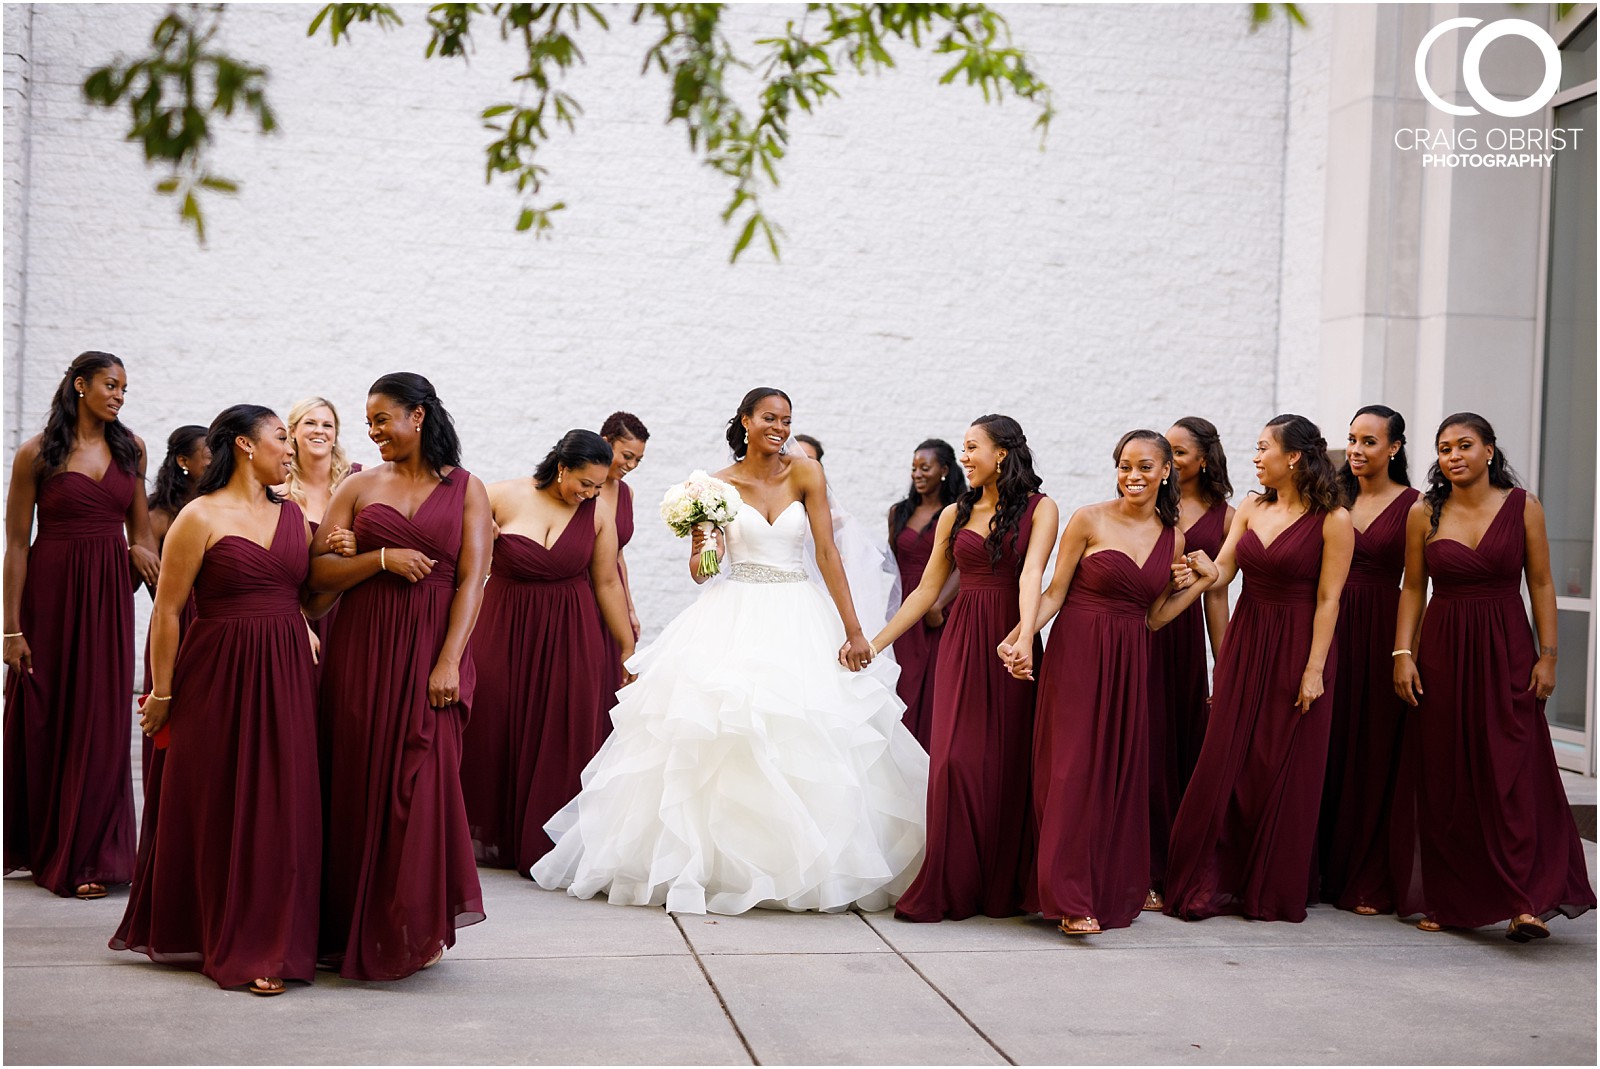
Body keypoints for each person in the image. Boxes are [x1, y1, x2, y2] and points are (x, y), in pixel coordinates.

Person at [532, 388, 927, 915]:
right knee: (722, 731)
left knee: (806, 734)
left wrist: (856, 631)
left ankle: (809, 868)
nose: (779, 428)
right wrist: (702, 549)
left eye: (786, 420)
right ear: (745, 421)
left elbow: (827, 554)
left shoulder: (806, 473)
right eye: (769, 418)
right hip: (731, 609)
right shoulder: (713, 486)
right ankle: (719, 867)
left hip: (798, 611)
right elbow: (703, 573)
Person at [110, 405, 329, 996]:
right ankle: (223, 936)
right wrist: (162, 691)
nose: (291, 447)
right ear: (244, 445)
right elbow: (169, 611)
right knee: (220, 801)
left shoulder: (296, 516)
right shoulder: (197, 516)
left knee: (283, 805)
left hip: (286, 671)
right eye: (281, 437)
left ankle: (275, 939)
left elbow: (306, 593)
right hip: (217, 673)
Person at [1001, 430, 1218, 935]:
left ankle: (1102, 886)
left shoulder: (1174, 535)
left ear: (1167, 471)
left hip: (1129, 660)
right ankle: (1070, 899)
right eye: (1124, 465)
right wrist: (1020, 637)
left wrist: (1205, 582)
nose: (1133, 476)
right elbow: (1054, 593)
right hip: (1078, 652)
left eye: (1145, 466)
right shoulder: (1088, 519)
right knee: (1071, 772)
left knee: (1115, 773)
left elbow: (1156, 617)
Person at [311, 372, 491, 980]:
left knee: (421, 785)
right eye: (368, 422)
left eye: (382, 418)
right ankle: (348, 926)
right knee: (359, 783)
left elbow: (472, 580)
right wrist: (373, 557)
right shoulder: (358, 486)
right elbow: (316, 582)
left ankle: (410, 925)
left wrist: (447, 661)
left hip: (431, 653)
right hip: (361, 651)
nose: (373, 431)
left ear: (418, 416)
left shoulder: (467, 489)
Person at [1392, 413, 1594, 940]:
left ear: (1489, 451)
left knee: (1514, 771)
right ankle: (1452, 898)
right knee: (1448, 774)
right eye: (1444, 448)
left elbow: (1543, 583)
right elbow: (1413, 588)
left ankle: (1524, 902)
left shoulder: (1524, 507)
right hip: (1443, 651)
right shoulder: (1423, 513)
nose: (1453, 455)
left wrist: (1548, 654)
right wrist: (1402, 653)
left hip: (1507, 648)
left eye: (1464, 445)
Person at [1163, 414, 1353, 923]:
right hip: (1247, 643)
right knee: (1228, 759)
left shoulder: (1333, 518)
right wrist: (1205, 570)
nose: (1255, 456)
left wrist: (1315, 669)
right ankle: (1213, 878)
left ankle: (1268, 887)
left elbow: (1330, 600)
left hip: (1298, 648)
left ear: (1293, 456)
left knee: (1280, 765)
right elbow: (1225, 570)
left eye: (1263, 447)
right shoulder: (1250, 505)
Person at [868, 415, 1057, 922]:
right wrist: (876, 642)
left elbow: (1033, 575)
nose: (965, 456)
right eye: (965, 448)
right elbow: (928, 590)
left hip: (1010, 640)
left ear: (1002, 454)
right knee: (952, 762)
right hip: (961, 640)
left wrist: (1022, 637)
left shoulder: (1042, 509)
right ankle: (950, 886)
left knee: (1009, 764)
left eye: (973, 447)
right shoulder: (954, 513)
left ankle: (1002, 889)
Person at [3, 351, 159, 900]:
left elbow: (140, 532)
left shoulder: (131, 449)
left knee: (99, 720)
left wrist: (143, 556)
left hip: (107, 597)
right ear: (80, 385)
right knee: (46, 715)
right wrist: (10, 629)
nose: (119, 395)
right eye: (110, 385)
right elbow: (16, 545)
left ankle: (92, 853)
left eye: (124, 388)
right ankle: (42, 842)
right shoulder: (35, 455)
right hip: (50, 593)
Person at [463, 429, 636, 871]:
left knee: (559, 729)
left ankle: (545, 843)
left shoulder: (597, 511)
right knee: (494, 721)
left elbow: (608, 581)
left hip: (569, 632)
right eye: (585, 483)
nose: (591, 493)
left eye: (599, 486)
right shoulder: (497, 494)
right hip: (502, 626)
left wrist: (627, 648)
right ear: (561, 467)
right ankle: (495, 835)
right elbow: (459, 557)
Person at [1316, 405, 1418, 915]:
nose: (1355, 450)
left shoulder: (1417, 505)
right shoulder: (1330, 498)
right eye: (1351, 440)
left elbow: (1418, 586)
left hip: (1380, 629)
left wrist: (1406, 650)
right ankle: (1316, 870)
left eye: (1369, 442)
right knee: (1324, 743)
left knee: (1373, 749)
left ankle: (1365, 876)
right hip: (1324, 627)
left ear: (1395, 448)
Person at [1147, 416, 1233, 909]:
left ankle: (1168, 867)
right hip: (1138, 629)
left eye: (1180, 452)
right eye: (1168, 451)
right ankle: (1135, 867)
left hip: (1181, 643)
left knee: (1177, 749)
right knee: (1142, 749)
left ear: (1203, 460)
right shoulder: (1148, 498)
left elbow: (1216, 600)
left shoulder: (1225, 516)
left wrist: (1224, 670)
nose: (1171, 460)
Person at [138, 424, 211, 786]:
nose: (217, 461)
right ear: (184, 461)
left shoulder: (221, 507)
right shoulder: (161, 516)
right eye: (208, 454)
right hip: (177, 623)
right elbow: (154, 588)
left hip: (215, 621)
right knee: (171, 724)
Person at [886, 439, 965, 750]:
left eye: (925, 468)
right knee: (904, 684)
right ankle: (904, 760)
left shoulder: (958, 511)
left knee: (936, 687)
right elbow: (893, 561)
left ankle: (933, 759)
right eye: (914, 468)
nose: (917, 474)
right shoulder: (899, 512)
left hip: (941, 609)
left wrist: (938, 603)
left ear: (944, 471)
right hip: (907, 605)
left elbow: (965, 564)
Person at [597, 411, 648, 695]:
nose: (631, 465)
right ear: (606, 443)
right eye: (627, 456)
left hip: (613, 596)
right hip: (584, 590)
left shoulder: (626, 494)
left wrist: (629, 608)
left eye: (638, 460)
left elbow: (618, 557)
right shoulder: (582, 487)